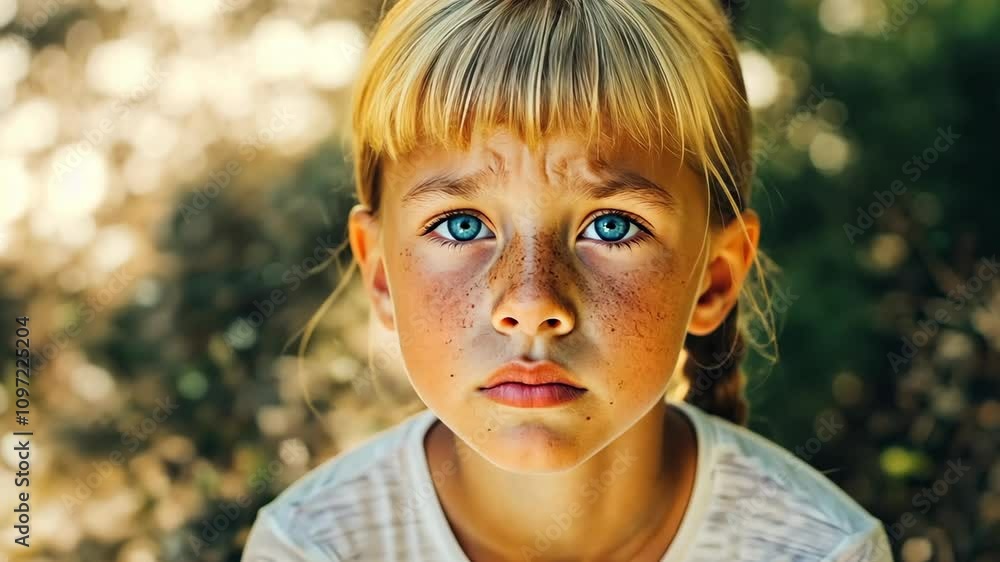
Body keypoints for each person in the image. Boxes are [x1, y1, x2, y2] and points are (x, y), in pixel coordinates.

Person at [242, 0, 893, 560]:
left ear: (714, 280)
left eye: (611, 227)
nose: (531, 303)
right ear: (381, 273)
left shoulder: (820, 550)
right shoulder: (312, 547)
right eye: (463, 226)